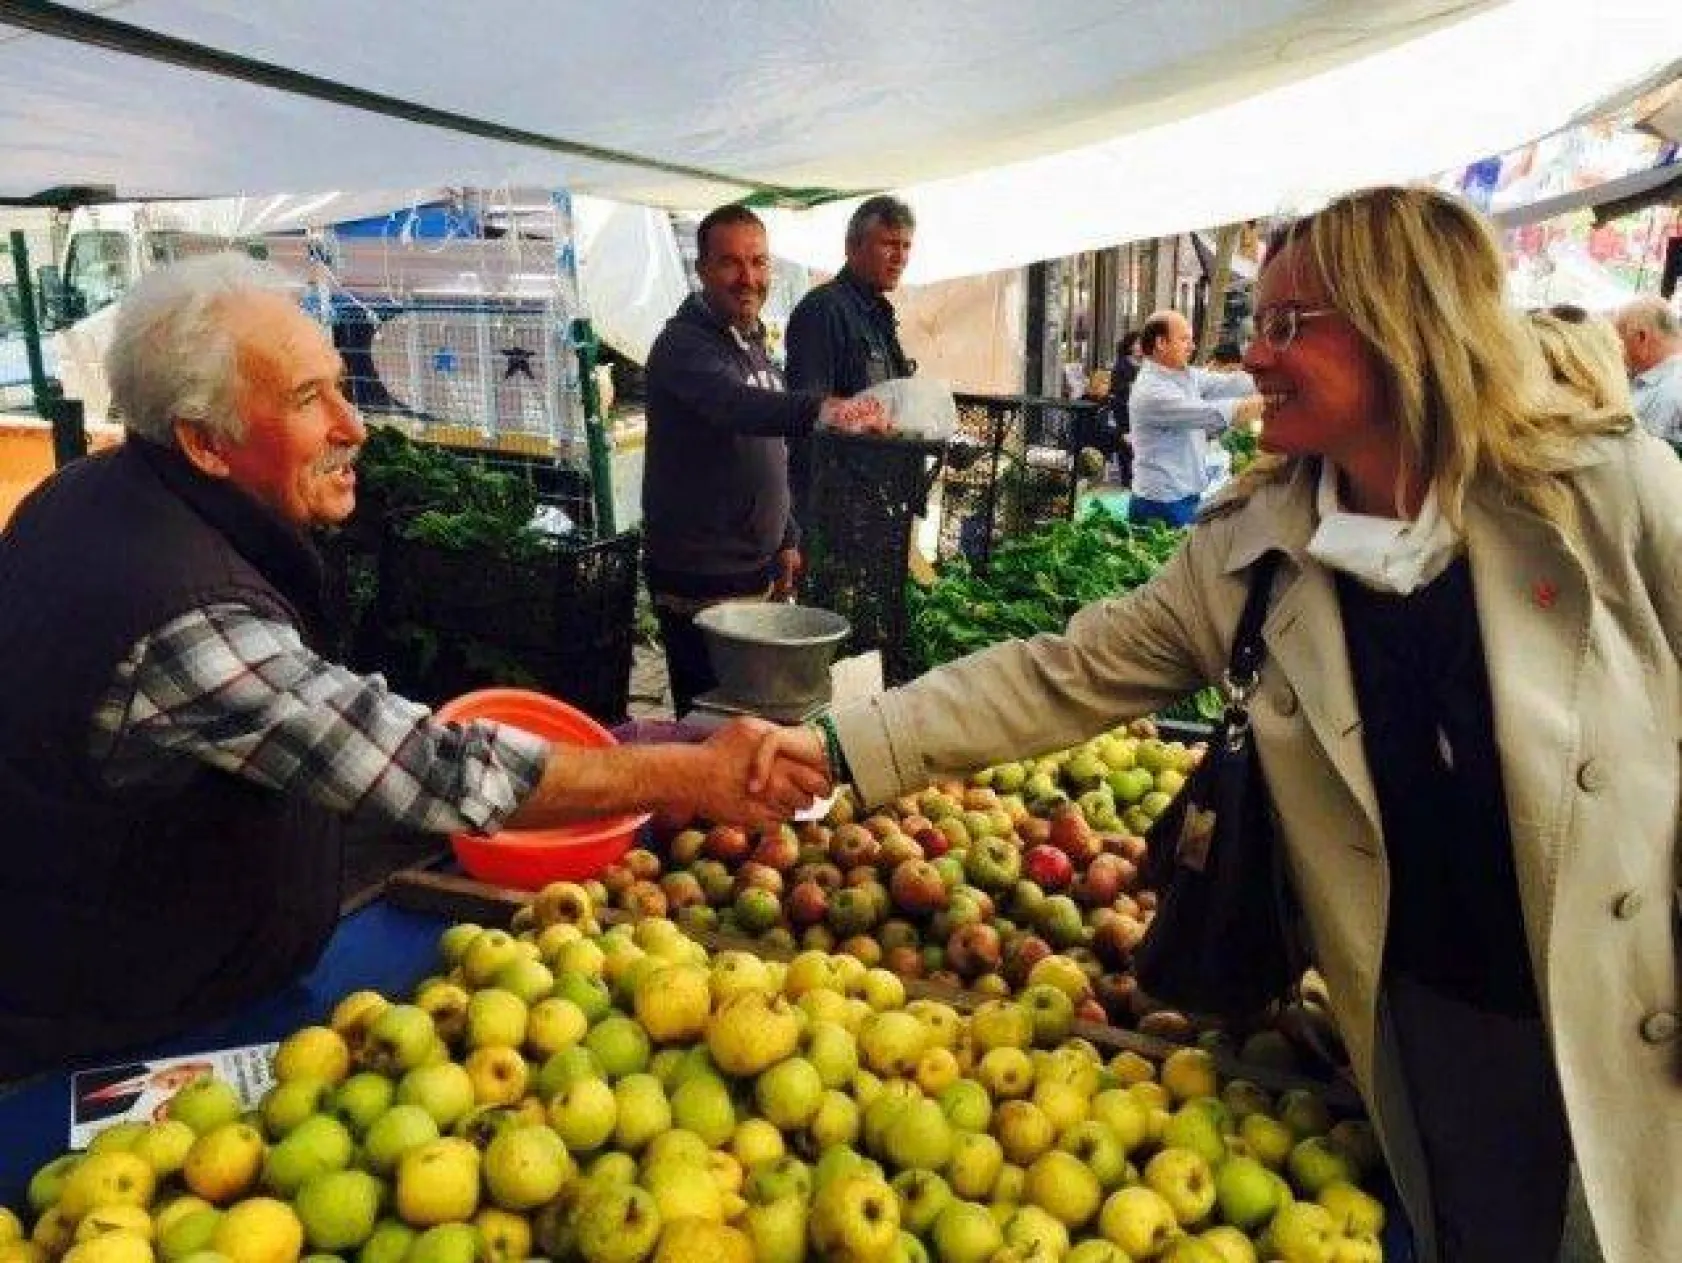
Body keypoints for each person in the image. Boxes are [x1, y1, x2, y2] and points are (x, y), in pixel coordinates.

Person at [755, 185, 1682, 1263]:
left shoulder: (1603, 498)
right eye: (1256, 323)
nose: (1252, 355)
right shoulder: (1250, 550)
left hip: (1637, 995)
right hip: (1432, 1019)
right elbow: (1060, 673)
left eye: (1289, 325)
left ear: (1406, 324)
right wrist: (835, 749)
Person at [0, 254, 831, 1078]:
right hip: (113, 1036)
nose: (352, 424)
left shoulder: (92, 492)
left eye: (336, 382)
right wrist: (688, 774)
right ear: (204, 442)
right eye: (303, 399)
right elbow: (426, 772)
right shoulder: (179, 611)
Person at [642, 204, 886, 714]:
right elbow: (737, 408)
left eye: (758, 262)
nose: (747, 278)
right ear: (702, 269)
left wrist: (788, 536)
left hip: (754, 573)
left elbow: (767, 450)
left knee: (754, 725)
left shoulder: (750, 341)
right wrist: (825, 408)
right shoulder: (683, 346)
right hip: (703, 585)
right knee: (710, 734)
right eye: (730, 263)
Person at [784, 195, 917, 525]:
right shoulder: (824, 310)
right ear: (852, 247)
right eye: (888, 244)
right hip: (832, 503)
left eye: (906, 246)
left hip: (873, 498)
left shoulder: (877, 314)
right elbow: (809, 411)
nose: (899, 257)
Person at [1125, 309, 1262, 527]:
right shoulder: (1152, 392)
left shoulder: (1184, 375)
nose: (1192, 346)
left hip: (1184, 496)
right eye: (1185, 339)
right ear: (1161, 342)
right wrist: (1275, 399)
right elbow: (1214, 414)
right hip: (1162, 502)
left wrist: (1268, 376)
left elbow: (1229, 384)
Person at [1612, 295, 1682, 445]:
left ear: (1641, 338)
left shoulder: (1668, 394)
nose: (1618, 352)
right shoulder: (1652, 379)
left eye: (1620, 342)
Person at [1106, 331, 1144, 482]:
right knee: (1126, 447)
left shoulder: (1147, 364)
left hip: (1142, 412)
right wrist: (1131, 386)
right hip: (1125, 412)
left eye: (1142, 343)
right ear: (1129, 346)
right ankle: (1126, 479)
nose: (1140, 347)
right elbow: (1115, 389)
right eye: (1137, 343)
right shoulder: (1121, 365)